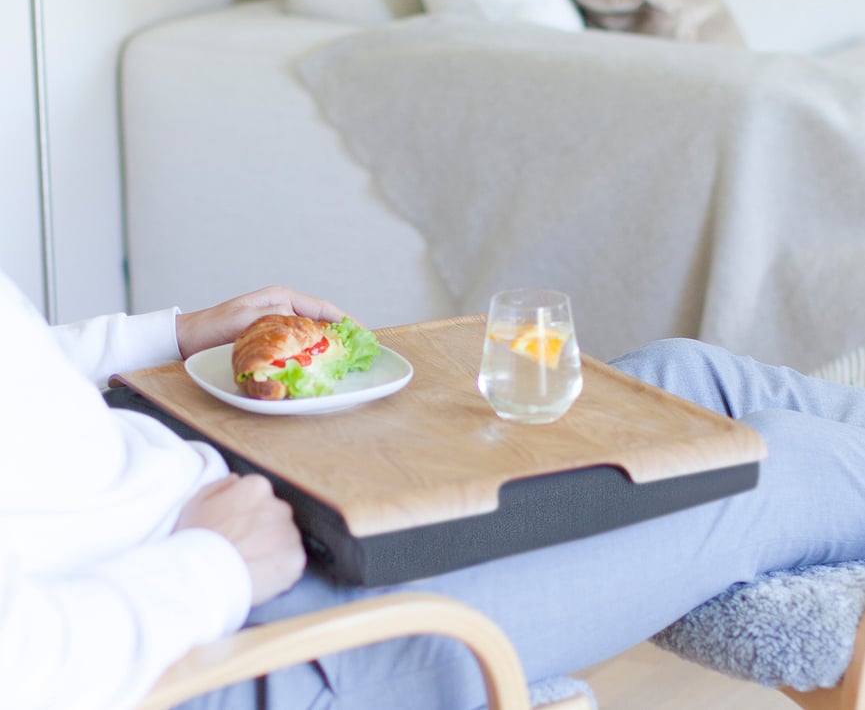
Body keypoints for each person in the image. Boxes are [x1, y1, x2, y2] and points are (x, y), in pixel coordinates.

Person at [4, 265, 865, 710]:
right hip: (239, 648)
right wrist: (214, 564)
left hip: (253, 506)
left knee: (681, 377)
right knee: (767, 465)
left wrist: (171, 331)